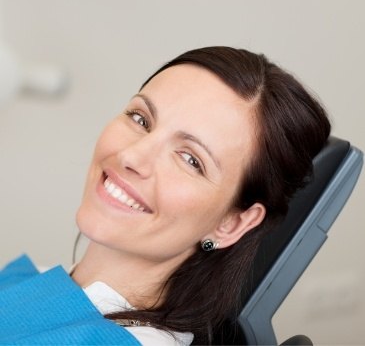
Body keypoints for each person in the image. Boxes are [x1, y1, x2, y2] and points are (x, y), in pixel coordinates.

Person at [0, 46, 330, 345]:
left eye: (190, 159)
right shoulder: (34, 280)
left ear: (231, 223)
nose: (132, 156)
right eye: (140, 118)